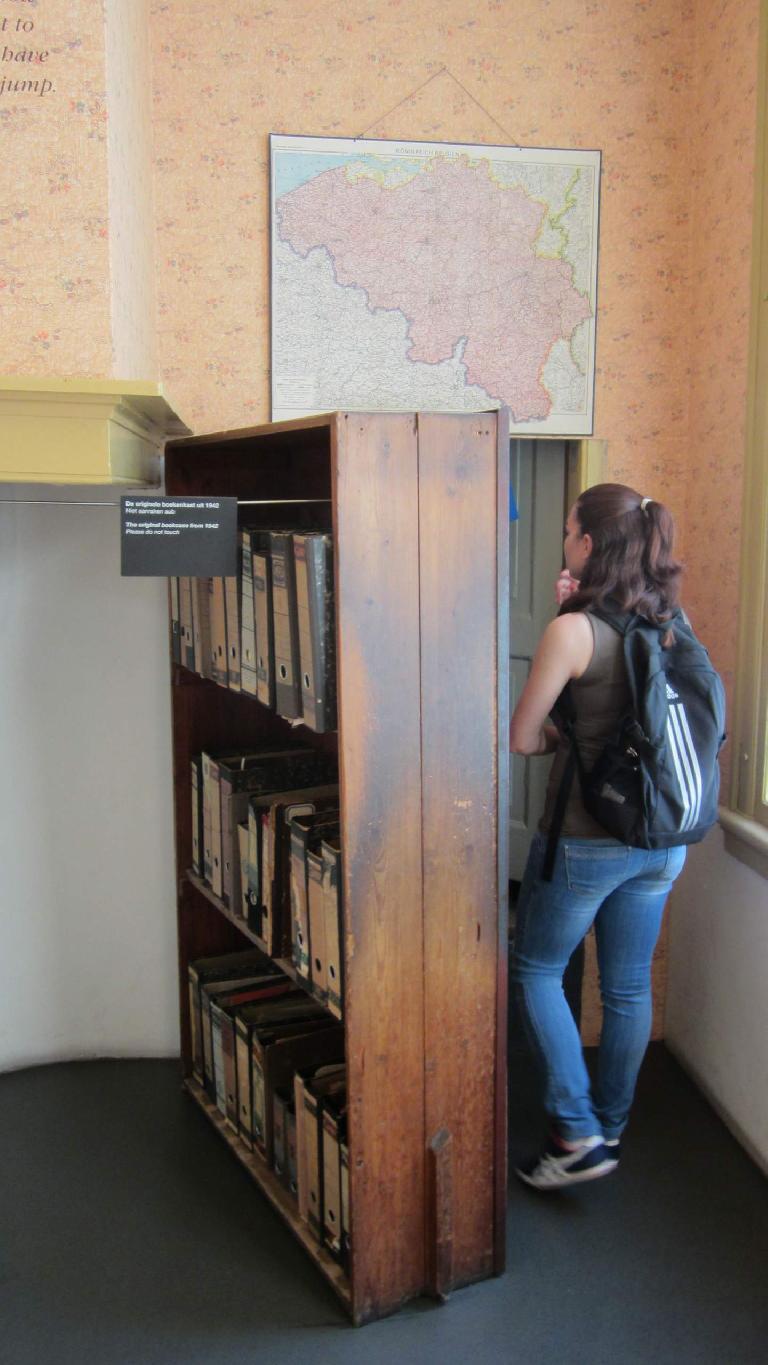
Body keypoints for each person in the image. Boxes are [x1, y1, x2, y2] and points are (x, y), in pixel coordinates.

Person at [509, 482, 687, 1190]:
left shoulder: (572, 632)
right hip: (662, 839)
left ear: (588, 544)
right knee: (626, 986)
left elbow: (524, 736)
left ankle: (576, 1129)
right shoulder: (676, 620)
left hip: (587, 837)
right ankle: (608, 1123)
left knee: (536, 968)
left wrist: (566, 736)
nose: (563, 539)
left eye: (568, 529)